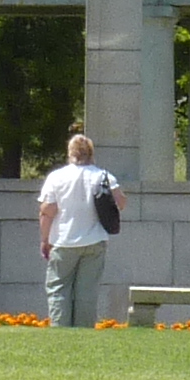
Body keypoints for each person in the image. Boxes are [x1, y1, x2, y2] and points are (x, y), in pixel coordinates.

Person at [37, 131, 119, 329]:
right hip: (94, 241)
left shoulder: (57, 177)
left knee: (59, 289)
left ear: (70, 153)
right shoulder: (103, 176)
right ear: (91, 153)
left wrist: (44, 239)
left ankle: (60, 330)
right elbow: (121, 201)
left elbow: (48, 211)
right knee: (87, 291)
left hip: (64, 241)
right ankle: (84, 333)